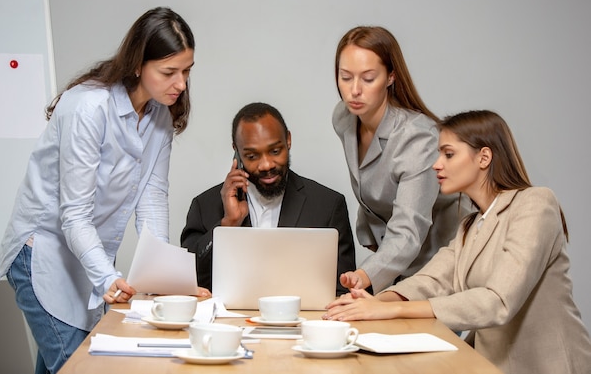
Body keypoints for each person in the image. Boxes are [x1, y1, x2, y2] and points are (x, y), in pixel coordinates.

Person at [0, 7, 206, 374]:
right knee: (83, 367)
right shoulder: (89, 107)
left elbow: (152, 198)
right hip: (43, 254)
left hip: (86, 258)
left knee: (69, 365)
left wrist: (164, 277)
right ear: (139, 64)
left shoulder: (160, 114)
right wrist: (107, 276)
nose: (181, 84)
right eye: (169, 72)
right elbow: (73, 215)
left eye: (186, 71)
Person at [324, 110, 591, 374]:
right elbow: (432, 280)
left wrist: (392, 309)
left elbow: (497, 301)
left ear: (484, 157)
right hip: (490, 364)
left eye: (448, 154)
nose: (436, 164)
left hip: (547, 366)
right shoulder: (470, 225)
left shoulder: (534, 204)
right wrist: (372, 304)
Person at [332, 26, 466, 293]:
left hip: (441, 254)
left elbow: (409, 227)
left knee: (420, 333)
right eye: (345, 77)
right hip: (395, 254)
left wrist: (365, 273)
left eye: (368, 78)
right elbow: (370, 176)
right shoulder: (344, 118)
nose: (354, 90)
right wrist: (370, 233)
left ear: (391, 76)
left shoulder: (417, 137)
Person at [181, 102, 356, 295]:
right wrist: (227, 224)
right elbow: (189, 283)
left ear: (288, 140)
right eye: (252, 156)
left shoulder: (328, 206)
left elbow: (343, 291)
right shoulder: (204, 206)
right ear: (236, 151)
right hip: (229, 323)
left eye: (275, 151)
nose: (266, 165)